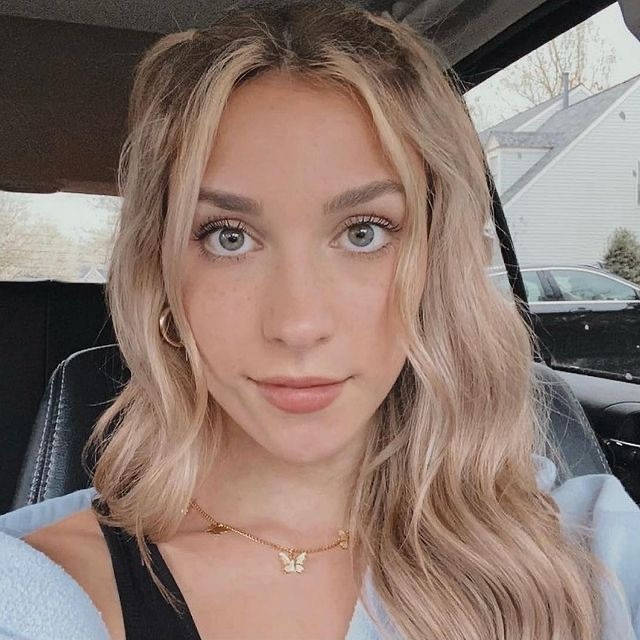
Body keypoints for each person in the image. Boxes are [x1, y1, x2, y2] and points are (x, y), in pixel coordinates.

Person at [1, 1, 639, 639]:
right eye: (228, 237)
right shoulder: (37, 584)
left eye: (364, 232)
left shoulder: (584, 554)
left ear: (436, 266)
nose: (298, 324)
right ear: (163, 277)